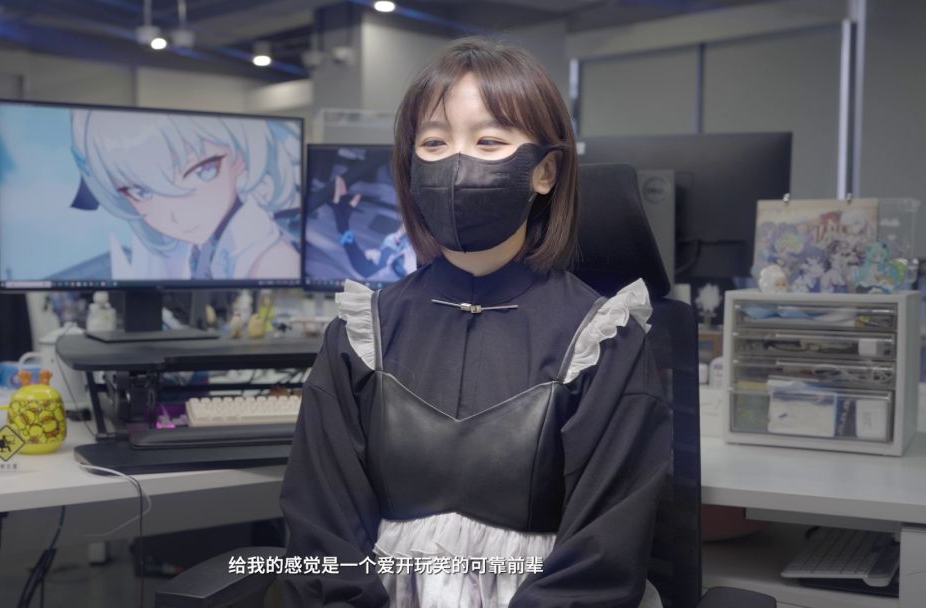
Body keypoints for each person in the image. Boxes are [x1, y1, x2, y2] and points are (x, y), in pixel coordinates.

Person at [280, 36, 671, 608]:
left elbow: (602, 558)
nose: (456, 165)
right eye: (434, 143)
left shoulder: (603, 337)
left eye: (489, 141)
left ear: (544, 171)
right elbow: (321, 533)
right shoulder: (362, 332)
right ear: (410, 167)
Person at [69, 110, 301, 281]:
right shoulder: (204, 246)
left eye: (203, 170)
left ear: (239, 158)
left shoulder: (270, 261)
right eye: (141, 192)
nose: (176, 216)